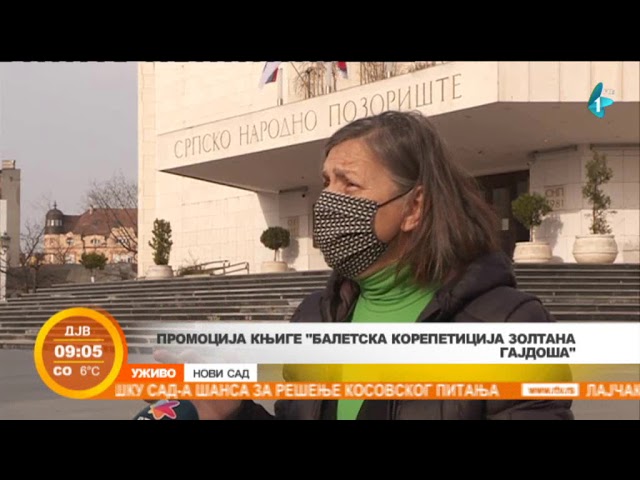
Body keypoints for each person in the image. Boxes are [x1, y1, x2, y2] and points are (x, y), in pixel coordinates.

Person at [154, 110, 574, 420]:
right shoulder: (315, 317)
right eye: (327, 182)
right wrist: (231, 411)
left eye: (349, 184)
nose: (327, 201)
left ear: (414, 207)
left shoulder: (509, 324)